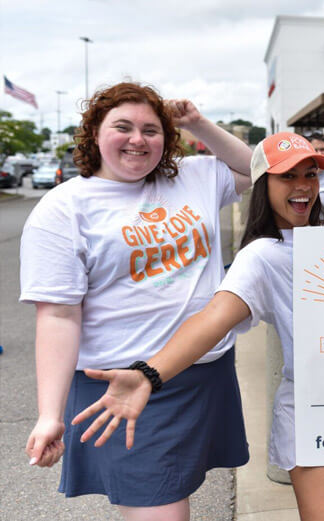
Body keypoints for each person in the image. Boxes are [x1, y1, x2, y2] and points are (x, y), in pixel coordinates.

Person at [70, 132, 324, 521]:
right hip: (317, 414)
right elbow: (214, 318)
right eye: (287, 176)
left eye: (310, 174)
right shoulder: (263, 255)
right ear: (263, 185)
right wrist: (149, 374)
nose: (303, 186)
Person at [20, 82, 253, 520]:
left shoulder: (194, 175)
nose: (138, 139)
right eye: (122, 127)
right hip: (125, 386)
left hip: (205, 374)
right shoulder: (63, 209)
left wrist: (198, 123)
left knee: (182, 492)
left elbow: (259, 168)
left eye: (151, 130)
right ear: (93, 134)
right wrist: (49, 413)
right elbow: (58, 316)